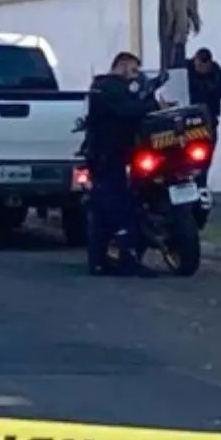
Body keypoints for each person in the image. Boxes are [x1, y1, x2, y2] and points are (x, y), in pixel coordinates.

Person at [82, 51, 159, 278]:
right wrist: (147, 101)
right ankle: (127, 260)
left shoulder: (102, 86)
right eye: (133, 70)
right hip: (108, 156)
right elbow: (128, 111)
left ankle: (100, 261)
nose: (135, 76)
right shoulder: (110, 87)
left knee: (103, 211)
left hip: (106, 155)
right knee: (120, 209)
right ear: (122, 65)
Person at [187, 47, 221, 189]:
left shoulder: (216, 72)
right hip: (187, 120)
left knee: (205, 156)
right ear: (195, 60)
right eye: (200, 65)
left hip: (209, 121)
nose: (203, 69)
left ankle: (201, 186)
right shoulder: (186, 68)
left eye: (206, 65)